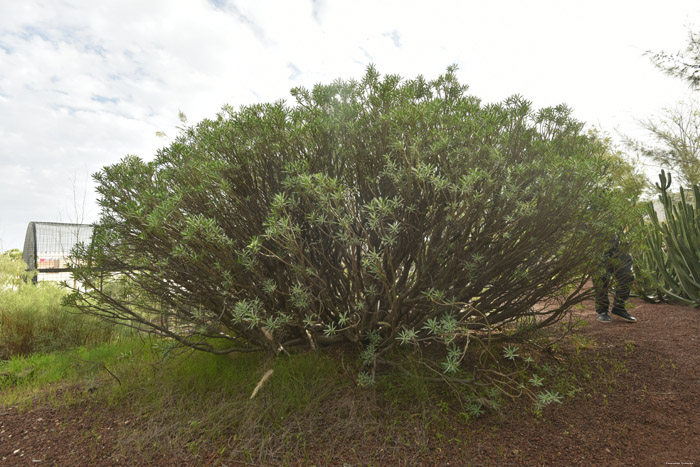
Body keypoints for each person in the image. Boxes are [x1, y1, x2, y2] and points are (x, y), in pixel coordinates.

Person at [593, 234, 637, 323]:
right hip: (599, 245)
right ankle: (602, 311)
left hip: (620, 247)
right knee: (601, 279)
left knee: (627, 275)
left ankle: (619, 307)